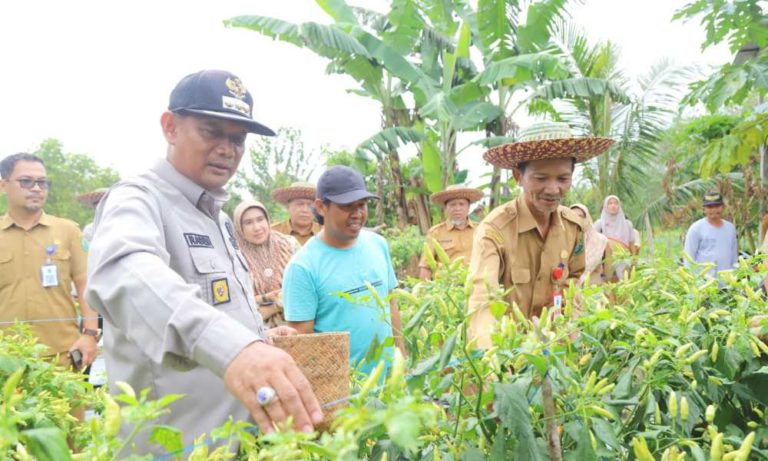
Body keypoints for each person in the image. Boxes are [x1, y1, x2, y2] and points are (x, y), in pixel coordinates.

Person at [85, 70, 322, 454]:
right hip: (174, 446)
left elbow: (218, 304)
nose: (227, 149)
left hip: (234, 441)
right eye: (212, 132)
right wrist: (235, 350)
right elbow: (123, 271)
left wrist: (258, 338)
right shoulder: (138, 199)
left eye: (238, 139)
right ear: (170, 127)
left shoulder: (220, 220)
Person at [467, 121, 614, 348]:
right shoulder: (495, 231)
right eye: (540, 178)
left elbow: (574, 283)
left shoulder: (573, 227)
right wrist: (490, 360)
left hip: (554, 349)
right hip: (508, 353)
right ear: (518, 177)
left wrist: (572, 334)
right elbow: (482, 300)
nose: (553, 189)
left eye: (563, 179)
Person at [283, 165, 405, 375]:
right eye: (347, 206)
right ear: (321, 207)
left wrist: (401, 359)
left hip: (389, 386)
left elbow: (391, 304)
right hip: (344, 397)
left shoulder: (378, 244)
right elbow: (301, 347)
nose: (357, 214)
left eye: (362, 205)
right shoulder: (302, 267)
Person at [0, 153, 100, 369]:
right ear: (3, 185)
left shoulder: (68, 231)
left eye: (42, 182)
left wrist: (90, 334)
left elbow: (86, 285)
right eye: (26, 181)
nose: (36, 188)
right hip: (6, 358)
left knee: (69, 404)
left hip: (62, 355)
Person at [233, 199, 299, 328]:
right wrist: (274, 303)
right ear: (239, 227)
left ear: (268, 220)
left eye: (260, 219)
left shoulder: (290, 244)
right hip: (257, 334)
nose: (257, 228)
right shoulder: (234, 257)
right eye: (248, 223)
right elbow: (238, 304)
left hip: (296, 327)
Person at [419, 185, 483, 280]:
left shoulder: (481, 230)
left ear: (468, 207)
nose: (457, 208)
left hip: (476, 284)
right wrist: (423, 292)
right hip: (446, 287)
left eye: (462, 204)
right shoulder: (436, 233)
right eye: (453, 204)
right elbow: (426, 267)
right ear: (446, 208)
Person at [683, 191, 738, 278]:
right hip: (704, 284)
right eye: (709, 207)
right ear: (703, 209)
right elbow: (688, 257)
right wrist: (691, 279)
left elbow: (734, 257)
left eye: (717, 206)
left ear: (723, 207)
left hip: (727, 282)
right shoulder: (696, 229)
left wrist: (736, 277)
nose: (714, 210)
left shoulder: (730, 228)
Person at [594, 195, 638, 277]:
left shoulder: (628, 224)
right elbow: (593, 243)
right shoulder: (599, 224)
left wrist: (634, 260)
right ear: (605, 206)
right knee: (608, 284)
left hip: (624, 258)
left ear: (619, 206)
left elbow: (631, 244)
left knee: (624, 283)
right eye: (610, 203)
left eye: (615, 203)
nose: (613, 206)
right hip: (606, 260)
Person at [570, 204, 614, 285]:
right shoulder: (563, 241)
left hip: (593, 291)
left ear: (587, 218)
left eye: (580, 216)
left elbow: (609, 273)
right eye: (572, 216)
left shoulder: (601, 241)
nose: (576, 219)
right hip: (568, 290)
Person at [271, 182, 322, 246]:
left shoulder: (326, 234)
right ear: (287, 207)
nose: (305, 210)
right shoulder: (273, 233)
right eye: (300, 204)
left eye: (310, 205)